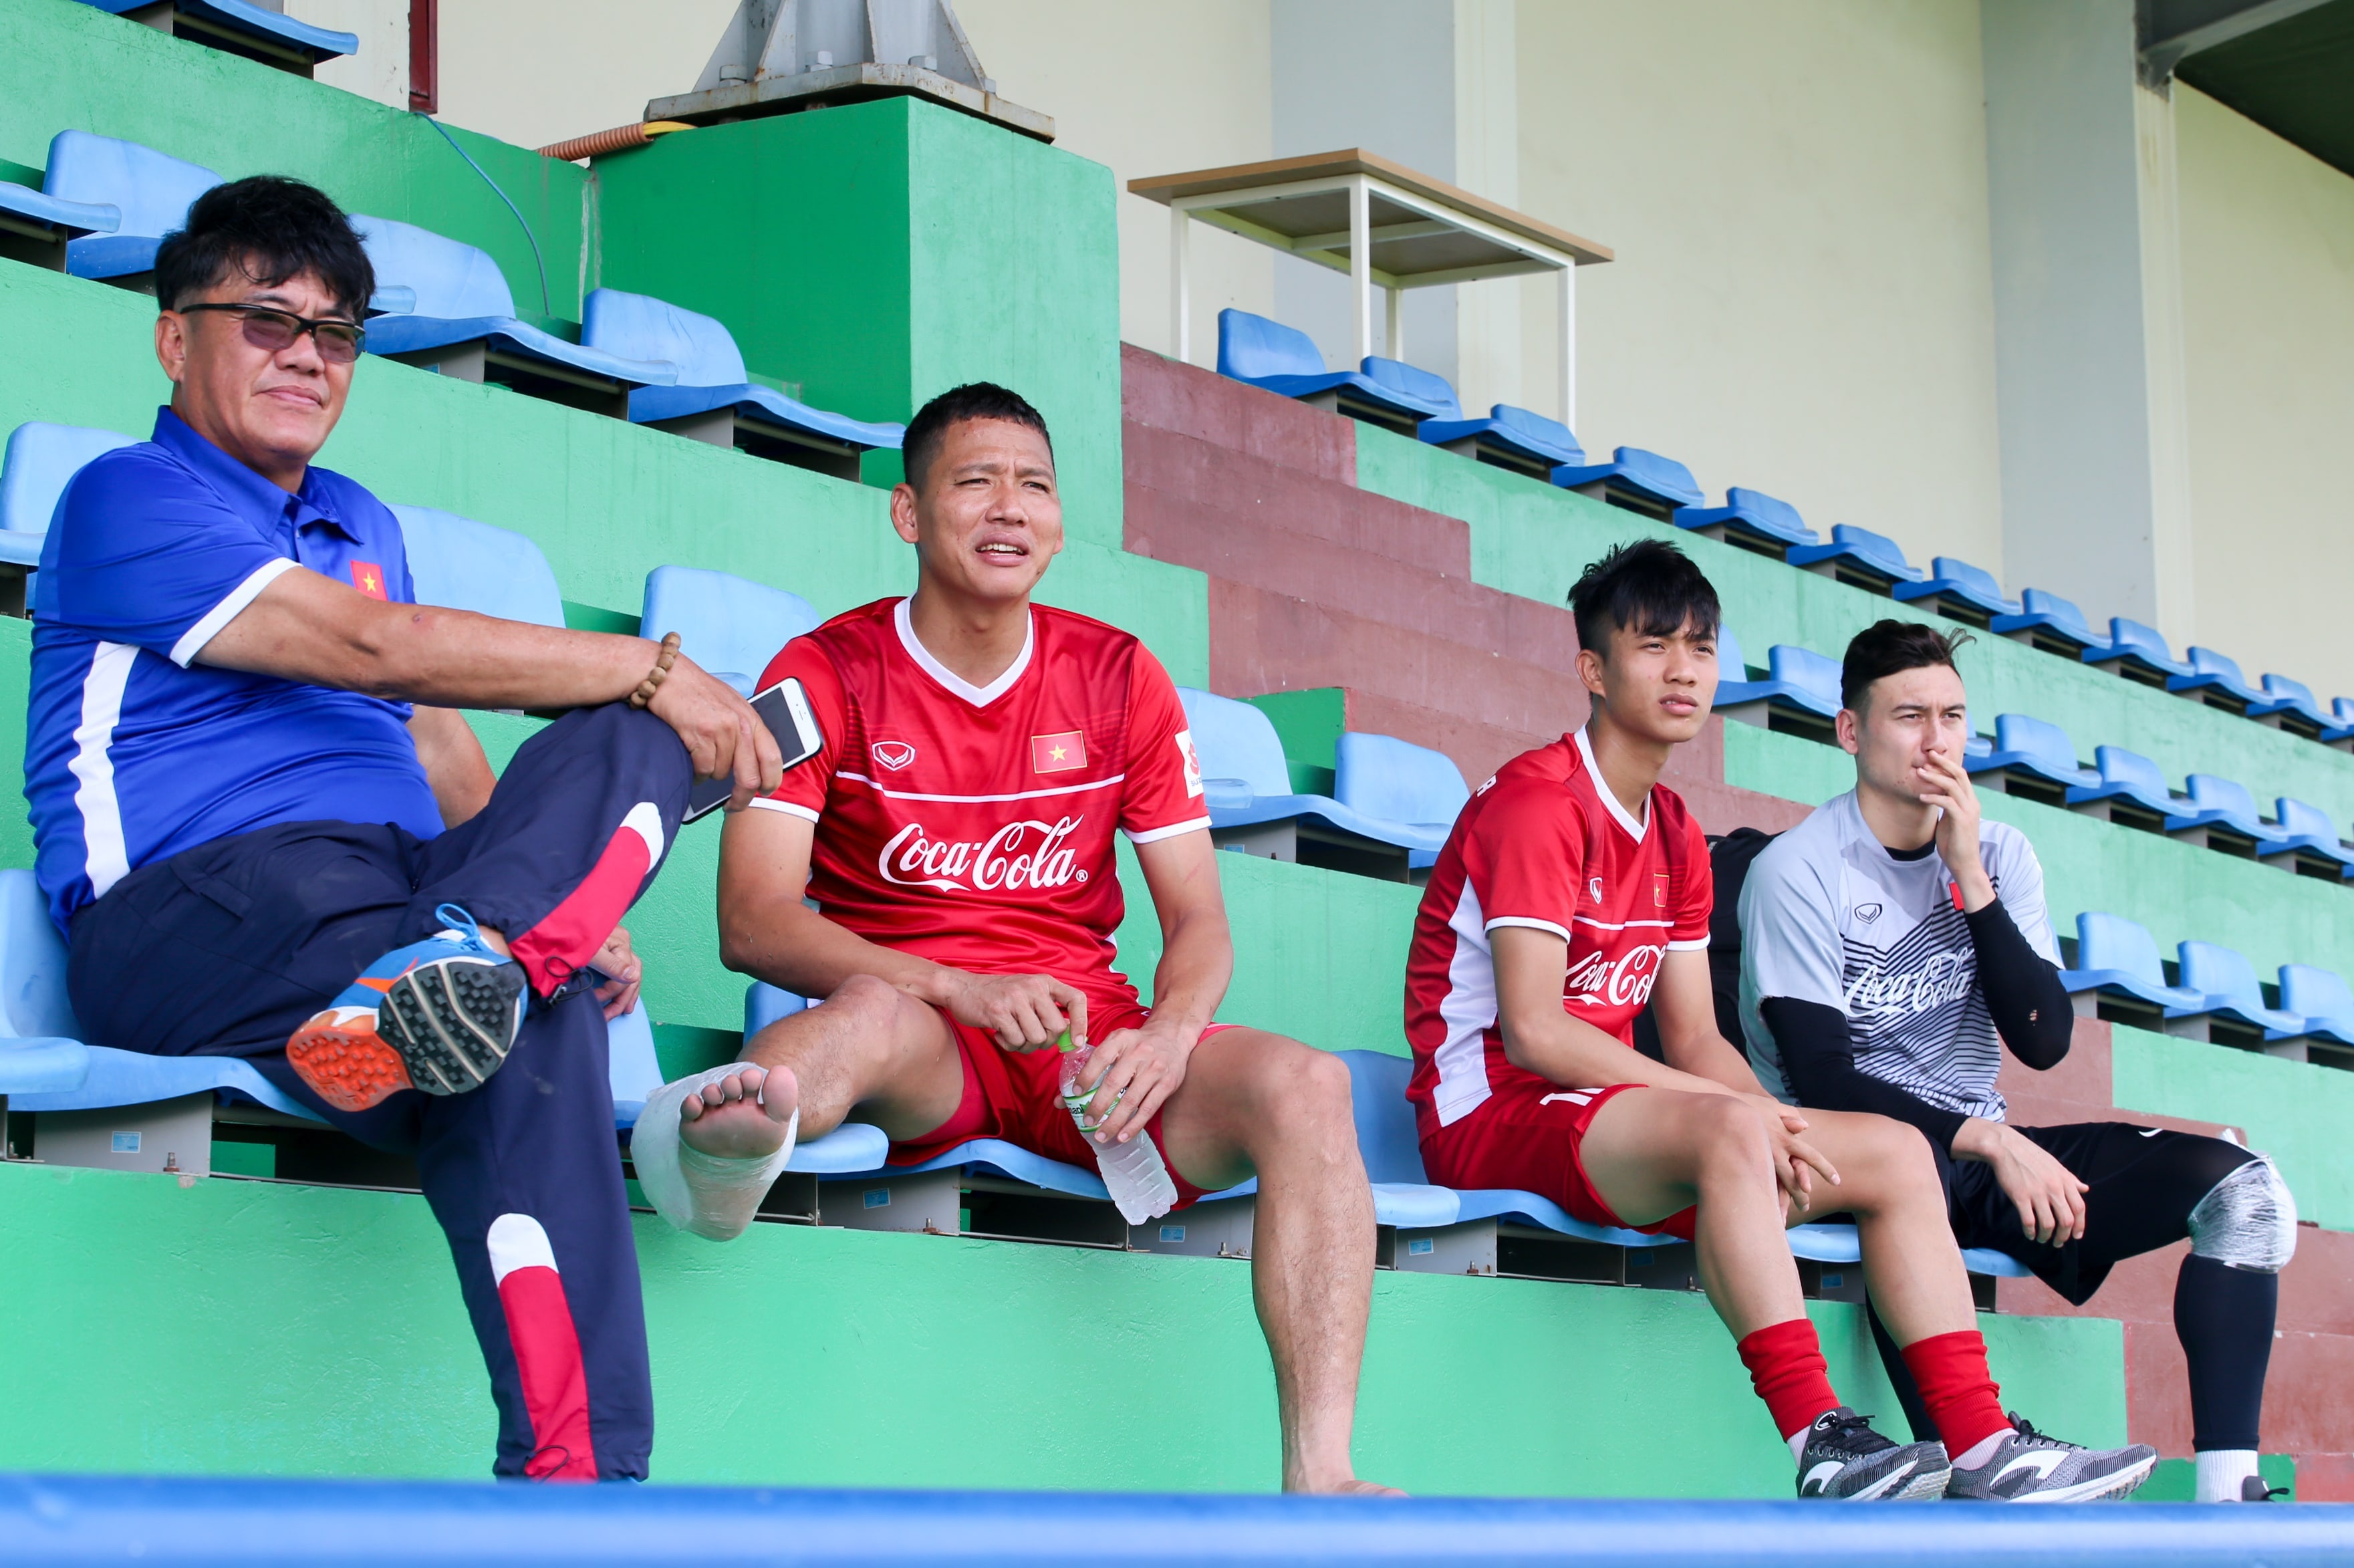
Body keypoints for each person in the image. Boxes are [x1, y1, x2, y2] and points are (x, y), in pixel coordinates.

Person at [23, 176, 783, 1480]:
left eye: (335, 332)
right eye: (267, 319)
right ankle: (479, 960)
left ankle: (577, 1488)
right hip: (195, 917)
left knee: (585, 865)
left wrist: (562, 908)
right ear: (173, 337)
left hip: (387, 929)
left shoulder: (362, 519)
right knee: (643, 705)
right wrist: (654, 668)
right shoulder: (126, 496)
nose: (306, 355)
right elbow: (375, 651)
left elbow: (441, 746)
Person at [651, 382, 1394, 1496]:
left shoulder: (1118, 674)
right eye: (975, 480)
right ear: (908, 512)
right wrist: (958, 986)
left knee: (1310, 1085)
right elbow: (751, 920)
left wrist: (1170, 1038)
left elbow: (1196, 920)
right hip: (922, 1029)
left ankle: (1321, 1474)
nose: (1010, 506)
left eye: (1035, 485)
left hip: (1085, 1053)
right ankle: (722, 1137)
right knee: (860, 1022)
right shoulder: (823, 671)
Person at [1402, 540, 2156, 1502]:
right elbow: (1537, 1032)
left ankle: (1979, 1446)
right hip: (1488, 1114)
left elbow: (1696, 1040)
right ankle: (1821, 1439)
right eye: (1653, 645)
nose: (1684, 669)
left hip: (1608, 1119)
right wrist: (1745, 1119)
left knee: (1888, 1149)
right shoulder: (1534, 806)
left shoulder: (1673, 827)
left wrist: (1780, 1123)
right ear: (1592, 668)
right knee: (1728, 1125)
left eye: (1701, 646)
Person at [1739, 620, 2296, 1504]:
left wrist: (1969, 873)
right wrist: (1987, 1142)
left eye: (1952, 717)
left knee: (2247, 1194)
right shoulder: (1795, 869)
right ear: (1849, 731)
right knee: (1914, 1164)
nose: (1937, 742)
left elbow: (2042, 1039)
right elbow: (1821, 1079)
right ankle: (1974, 1453)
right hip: (1860, 1161)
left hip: (1977, 1143)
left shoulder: (1998, 853)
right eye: (1909, 716)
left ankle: (2229, 1492)